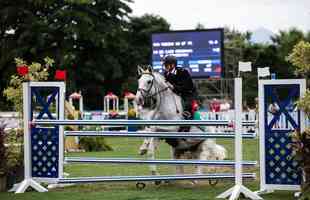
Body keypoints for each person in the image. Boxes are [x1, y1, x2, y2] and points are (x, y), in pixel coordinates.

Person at [163, 55, 198, 119]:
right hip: (175, 93)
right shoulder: (166, 74)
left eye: (166, 65)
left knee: (187, 106)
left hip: (188, 93)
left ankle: (188, 118)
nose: (165, 67)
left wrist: (173, 87)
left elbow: (187, 87)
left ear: (172, 65)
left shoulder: (183, 72)